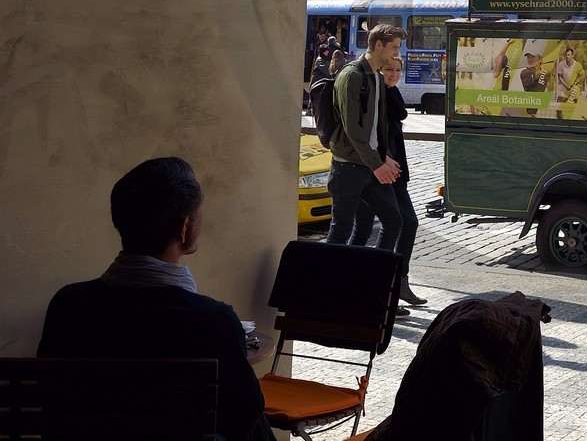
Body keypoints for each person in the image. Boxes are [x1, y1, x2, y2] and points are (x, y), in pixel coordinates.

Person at [37, 157, 275, 441]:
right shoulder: (212, 320)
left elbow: (50, 397)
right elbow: (241, 417)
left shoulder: (68, 305)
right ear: (184, 228)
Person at [350, 56, 426, 307]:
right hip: (376, 169)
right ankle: (377, 289)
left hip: (391, 170)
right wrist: (381, 161)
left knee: (387, 226)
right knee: (372, 227)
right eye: (388, 70)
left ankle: (392, 285)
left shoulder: (390, 92)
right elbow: (369, 133)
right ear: (378, 70)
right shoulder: (377, 93)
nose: (393, 75)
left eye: (397, 70)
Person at [326, 23, 406, 253]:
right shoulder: (352, 75)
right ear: (379, 45)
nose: (397, 54)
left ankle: (373, 280)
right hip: (348, 168)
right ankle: (328, 285)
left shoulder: (375, 76)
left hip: (370, 165)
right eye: (394, 47)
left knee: (393, 221)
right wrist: (377, 164)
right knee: (341, 230)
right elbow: (353, 129)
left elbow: (378, 126)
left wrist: (385, 157)